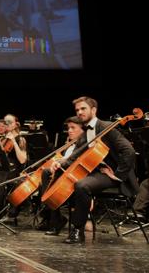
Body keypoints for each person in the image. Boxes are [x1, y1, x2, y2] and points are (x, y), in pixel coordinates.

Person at [49, 96, 137, 244]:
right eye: (77, 110)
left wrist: (118, 174)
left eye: (83, 108)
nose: (79, 112)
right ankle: (54, 219)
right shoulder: (85, 134)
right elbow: (75, 156)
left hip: (111, 175)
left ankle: (78, 230)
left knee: (81, 185)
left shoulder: (106, 127)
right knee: (57, 174)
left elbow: (129, 151)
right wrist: (60, 163)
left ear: (94, 110)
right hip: (95, 173)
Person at [37, 116, 84, 235]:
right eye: (68, 128)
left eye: (73, 128)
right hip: (63, 177)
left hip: (75, 180)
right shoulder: (70, 145)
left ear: (83, 130)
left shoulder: (84, 145)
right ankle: (54, 218)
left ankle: (51, 217)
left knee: (47, 177)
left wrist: (58, 164)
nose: (69, 130)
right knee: (45, 179)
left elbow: (72, 162)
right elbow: (64, 160)